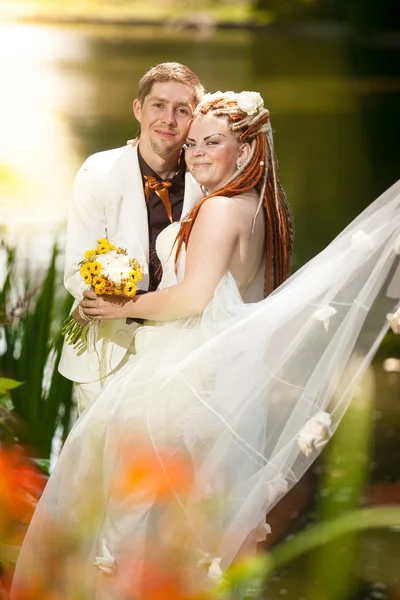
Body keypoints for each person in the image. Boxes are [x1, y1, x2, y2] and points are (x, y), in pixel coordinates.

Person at [11, 91, 400, 600]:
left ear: (245, 150)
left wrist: (118, 305)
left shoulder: (218, 210)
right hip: (221, 386)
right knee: (196, 529)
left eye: (211, 142)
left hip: (178, 384)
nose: (194, 153)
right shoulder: (262, 206)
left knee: (122, 526)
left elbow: (193, 298)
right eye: (192, 142)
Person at [58, 62, 207, 414]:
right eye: (158, 105)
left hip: (183, 355)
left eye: (181, 110)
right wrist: (102, 290)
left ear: (194, 120)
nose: (168, 119)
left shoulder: (209, 181)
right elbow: (78, 270)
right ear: (138, 109)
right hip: (106, 353)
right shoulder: (98, 172)